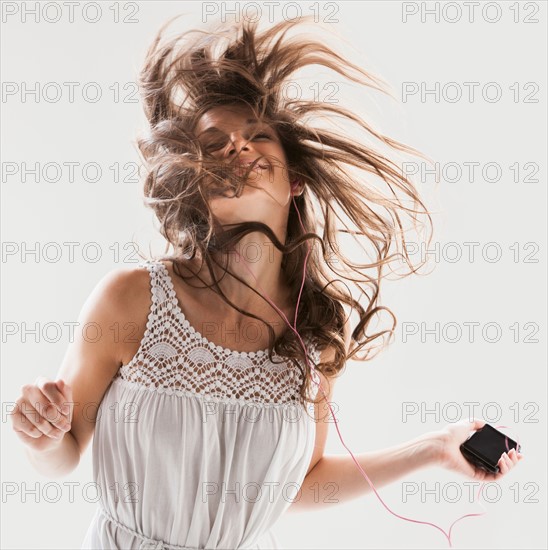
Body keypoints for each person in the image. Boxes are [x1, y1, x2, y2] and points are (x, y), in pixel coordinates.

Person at [11, 14, 522, 550]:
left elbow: (298, 483)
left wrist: (433, 447)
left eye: (257, 136)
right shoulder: (131, 298)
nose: (237, 146)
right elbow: (62, 449)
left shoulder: (315, 332)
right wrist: (41, 437)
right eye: (214, 144)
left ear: (294, 179)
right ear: (195, 184)